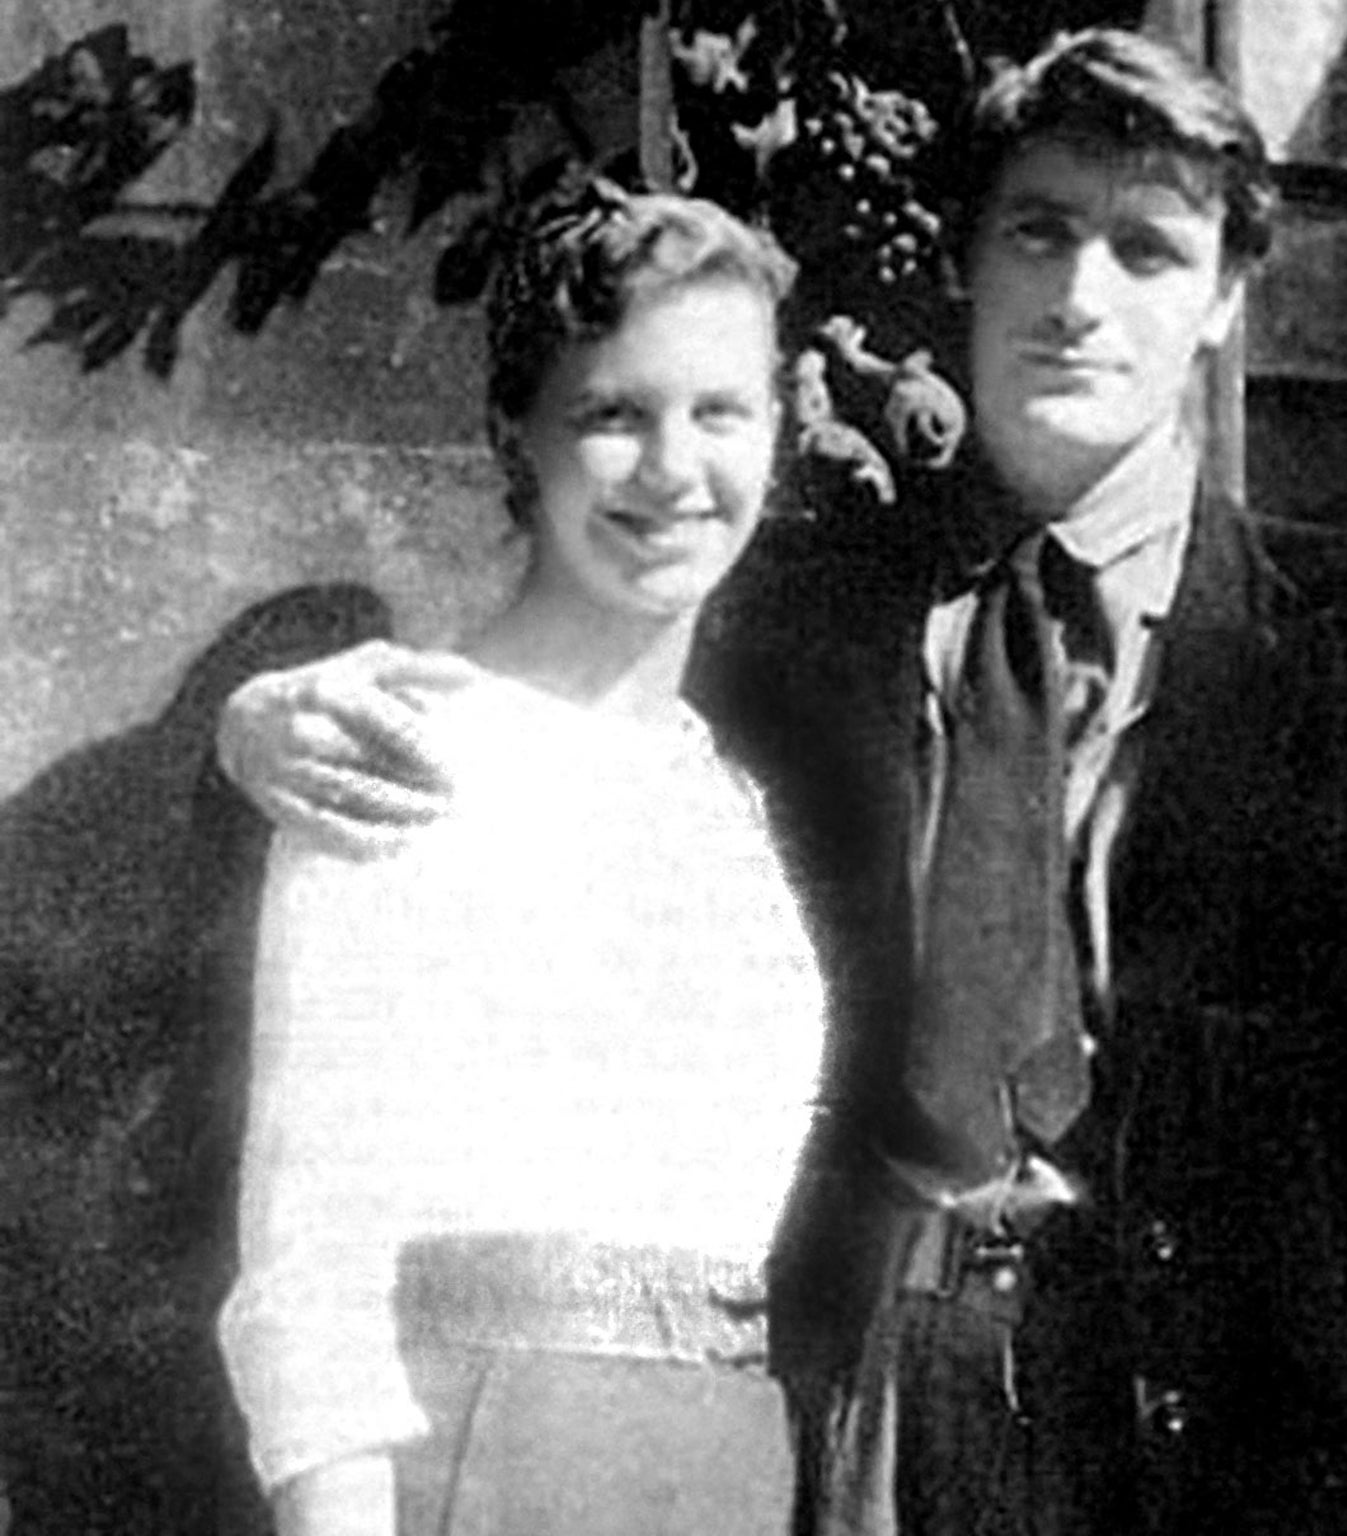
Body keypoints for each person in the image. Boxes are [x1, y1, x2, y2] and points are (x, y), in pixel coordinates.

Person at [215, 28, 1347, 1536]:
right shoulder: (787, 621)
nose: (1079, 296)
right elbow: (561, 710)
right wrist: (266, 718)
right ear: (969, 261)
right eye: (1041, 232)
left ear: (1225, 296)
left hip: (1227, 1450)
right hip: (851, 1429)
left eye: (1147, 248)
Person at [213, 181, 825, 1536]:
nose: (674, 470)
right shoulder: (400, 738)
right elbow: (307, 1267)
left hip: (728, 1466)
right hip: (492, 1466)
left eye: (719, 411)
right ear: (517, 438)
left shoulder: (729, 792)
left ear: (776, 431)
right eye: (614, 414)